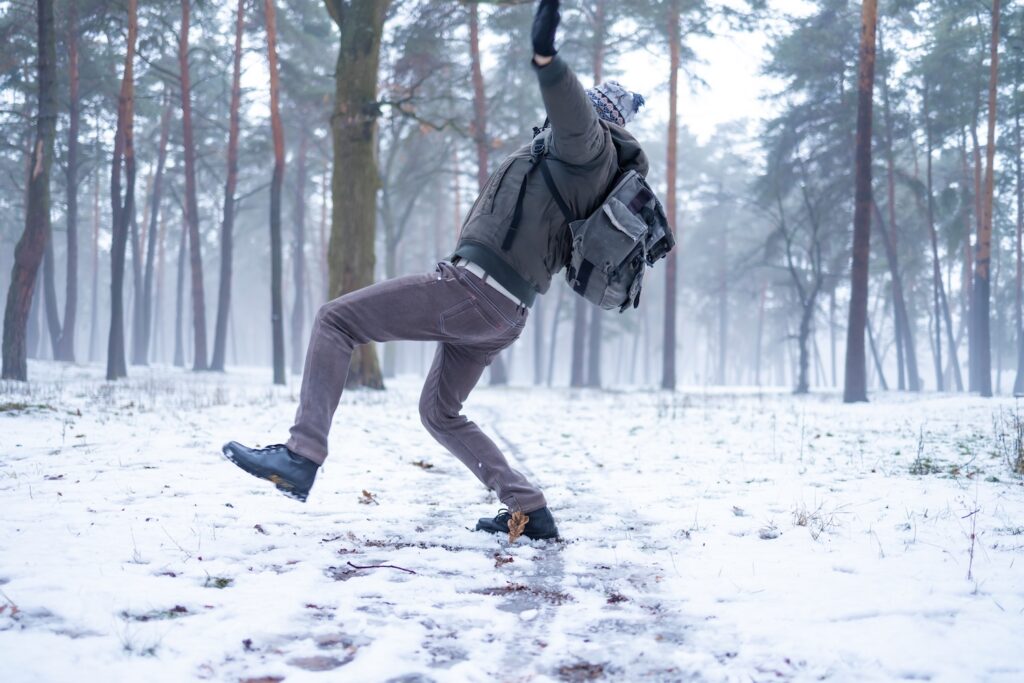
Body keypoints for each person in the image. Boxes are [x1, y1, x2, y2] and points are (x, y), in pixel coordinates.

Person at [221, 0, 649, 541]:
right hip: (503, 311)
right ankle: (529, 509)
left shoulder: (588, 148)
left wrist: (547, 58)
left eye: (588, 111)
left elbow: (570, 107)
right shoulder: (578, 161)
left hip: (473, 293)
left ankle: (301, 455)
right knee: (440, 412)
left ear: (598, 118)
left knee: (336, 321)